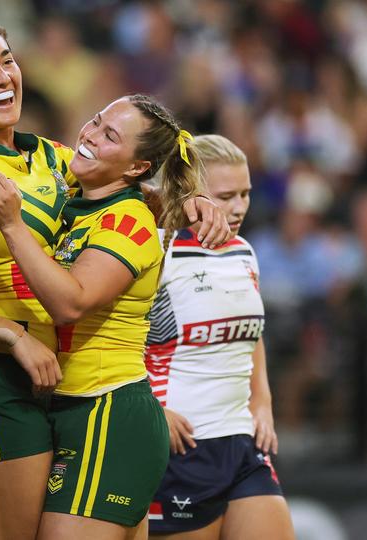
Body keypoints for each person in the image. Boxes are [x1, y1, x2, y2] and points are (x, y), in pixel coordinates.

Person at [0, 21, 230, 540]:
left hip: (60, 389)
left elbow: (121, 187)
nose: (3, 76)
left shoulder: (51, 157)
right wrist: (11, 334)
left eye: (7, 59)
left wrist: (187, 200)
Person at [0, 93, 204, 539]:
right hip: (72, 410)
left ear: (136, 167)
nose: (90, 135)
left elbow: (70, 303)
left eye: (110, 136)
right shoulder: (81, 204)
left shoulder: (129, 222)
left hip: (107, 411)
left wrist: (11, 224)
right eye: (96, 121)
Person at [144, 135, 294, 539]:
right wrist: (147, 409)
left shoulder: (243, 250)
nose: (240, 206)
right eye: (226, 196)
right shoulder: (156, 252)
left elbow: (250, 335)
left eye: (245, 193)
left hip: (242, 443)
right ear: (188, 194)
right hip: (181, 449)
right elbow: (110, 339)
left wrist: (262, 400)